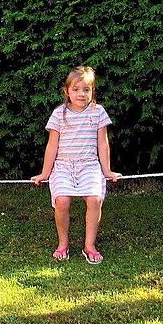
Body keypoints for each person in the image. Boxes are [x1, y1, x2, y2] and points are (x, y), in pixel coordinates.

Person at [31, 66, 120, 264]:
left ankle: (89, 245)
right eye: (76, 89)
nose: (81, 94)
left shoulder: (98, 112)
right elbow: (52, 145)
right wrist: (45, 173)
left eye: (86, 89)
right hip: (63, 165)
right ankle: (63, 243)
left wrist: (106, 170)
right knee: (62, 200)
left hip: (89, 165)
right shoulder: (58, 114)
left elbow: (103, 144)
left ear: (92, 91)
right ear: (67, 91)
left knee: (95, 199)